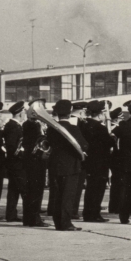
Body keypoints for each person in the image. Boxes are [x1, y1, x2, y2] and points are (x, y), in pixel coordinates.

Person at [47, 99, 88, 231]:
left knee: (58, 195)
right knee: (68, 196)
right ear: (70, 112)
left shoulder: (51, 129)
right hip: (70, 166)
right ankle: (66, 223)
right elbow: (84, 145)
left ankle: (58, 222)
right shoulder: (73, 128)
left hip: (55, 165)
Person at [81, 100, 114, 223]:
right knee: (98, 189)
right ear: (100, 114)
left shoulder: (83, 125)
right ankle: (94, 214)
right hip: (100, 162)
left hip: (89, 161)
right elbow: (109, 143)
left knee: (90, 189)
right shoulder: (100, 128)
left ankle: (87, 213)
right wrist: (112, 138)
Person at [22, 111, 48, 227]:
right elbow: (37, 142)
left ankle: (29, 218)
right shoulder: (34, 126)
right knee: (36, 191)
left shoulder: (28, 124)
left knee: (31, 191)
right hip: (36, 162)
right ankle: (34, 219)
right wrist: (43, 133)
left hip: (30, 162)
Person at [3, 101, 28, 223]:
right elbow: (13, 147)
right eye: (24, 112)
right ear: (20, 113)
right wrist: (24, 154)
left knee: (13, 190)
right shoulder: (14, 126)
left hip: (13, 164)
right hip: (17, 164)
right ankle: (30, 216)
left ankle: (11, 214)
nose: (25, 114)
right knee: (24, 189)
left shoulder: (13, 125)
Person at [107, 107, 125, 214]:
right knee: (118, 184)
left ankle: (114, 206)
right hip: (116, 158)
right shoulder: (114, 129)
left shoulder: (116, 128)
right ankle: (115, 206)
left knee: (116, 183)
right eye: (120, 118)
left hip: (116, 158)